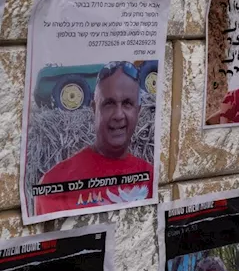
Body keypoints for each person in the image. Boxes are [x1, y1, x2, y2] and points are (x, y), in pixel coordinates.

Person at [34, 62, 154, 216]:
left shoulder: (150, 177)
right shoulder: (54, 182)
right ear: (93, 110)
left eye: (127, 104)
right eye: (109, 103)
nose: (118, 115)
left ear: (138, 112)